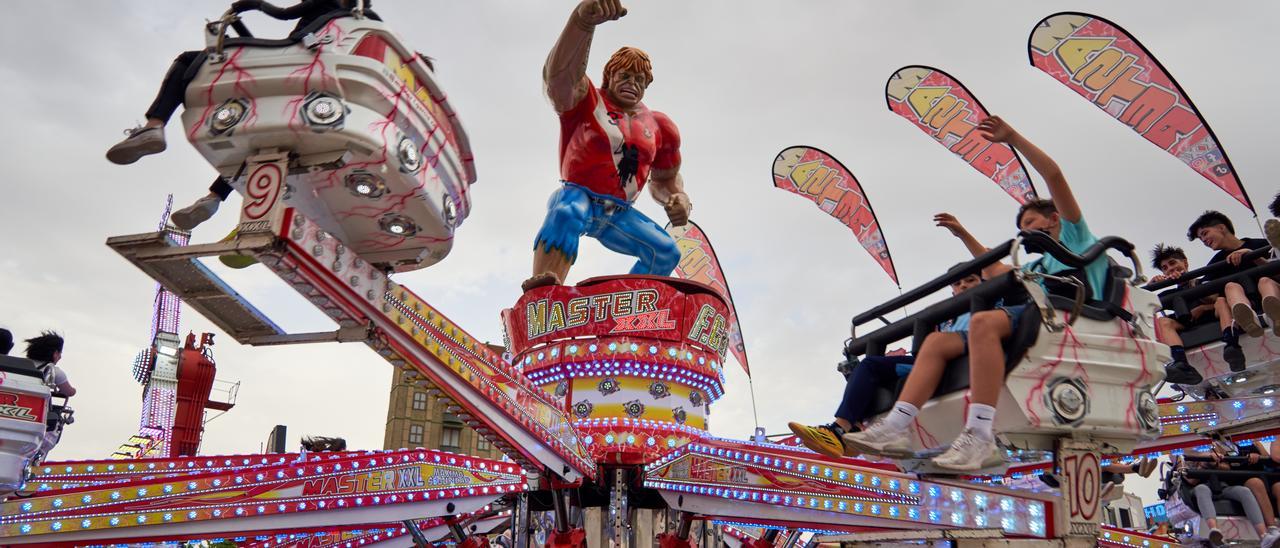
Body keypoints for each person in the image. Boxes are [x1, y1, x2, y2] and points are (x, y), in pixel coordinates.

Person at [844, 115, 1114, 471]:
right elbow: (995, 269)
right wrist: (963, 235)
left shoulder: (1076, 238)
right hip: (1045, 319)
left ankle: (980, 433)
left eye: (1030, 225)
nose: (1025, 234)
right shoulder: (1040, 265)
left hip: (1068, 316)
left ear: (1053, 219)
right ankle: (896, 425)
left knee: (984, 321)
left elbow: (1054, 175)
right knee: (937, 343)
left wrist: (1013, 137)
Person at [106, 0, 379, 228]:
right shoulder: (369, 23)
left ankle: (155, 125)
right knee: (261, 143)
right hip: (326, 91)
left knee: (189, 60)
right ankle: (216, 200)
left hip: (291, 65)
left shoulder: (327, 2)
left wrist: (251, 4)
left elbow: (282, 14)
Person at [523, 0, 691, 292]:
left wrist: (677, 200)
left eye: (639, 79)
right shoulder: (586, 98)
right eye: (624, 75)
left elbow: (665, 180)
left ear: (647, 85)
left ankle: (625, 308)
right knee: (566, 211)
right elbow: (559, 76)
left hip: (620, 212)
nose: (631, 83)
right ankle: (544, 290)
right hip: (580, 197)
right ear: (610, 76)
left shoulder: (660, 126)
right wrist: (582, 24)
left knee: (665, 251)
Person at [787, 267, 984, 458]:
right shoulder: (945, 316)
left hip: (960, 355)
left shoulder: (992, 300)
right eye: (958, 283)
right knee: (870, 365)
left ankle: (840, 431)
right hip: (932, 358)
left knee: (873, 366)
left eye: (971, 280)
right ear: (952, 290)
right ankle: (850, 431)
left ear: (983, 280)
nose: (964, 286)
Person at [1187, 211, 1280, 371]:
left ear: (1222, 228)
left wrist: (1251, 256)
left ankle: (1276, 314)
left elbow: (1277, 273)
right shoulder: (1215, 264)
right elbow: (1211, 296)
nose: (1204, 240)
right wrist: (1194, 285)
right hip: (1245, 301)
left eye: (1205, 233)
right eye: (1201, 239)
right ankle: (1248, 319)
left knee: (1265, 281)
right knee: (1231, 286)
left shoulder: (1260, 245)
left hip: (1272, 290)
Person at [1182, 445, 1279, 546]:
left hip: (1221, 485)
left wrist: (1215, 464)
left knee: (1244, 491)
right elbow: (1190, 480)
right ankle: (1213, 529)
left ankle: (1264, 535)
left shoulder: (1215, 446)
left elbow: (1227, 467)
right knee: (1202, 489)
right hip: (1200, 486)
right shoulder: (1181, 452)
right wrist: (1203, 464)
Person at [1148, 244, 1213, 383]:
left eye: (1172, 263)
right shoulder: (1170, 294)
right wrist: (1151, 286)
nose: (1170, 269)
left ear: (1185, 262)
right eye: (1164, 268)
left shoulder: (1203, 281)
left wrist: (1203, 308)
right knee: (1163, 322)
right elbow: (1144, 304)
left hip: (1213, 317)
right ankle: (1181, 363)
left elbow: (1220, 300)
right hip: (1188, 323)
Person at [24, 331, 75, 397]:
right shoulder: (53, 371)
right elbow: (69, 392)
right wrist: (74, 390)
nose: (60, 357)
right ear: (55, 353)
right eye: (60, 353)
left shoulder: (19, 363)